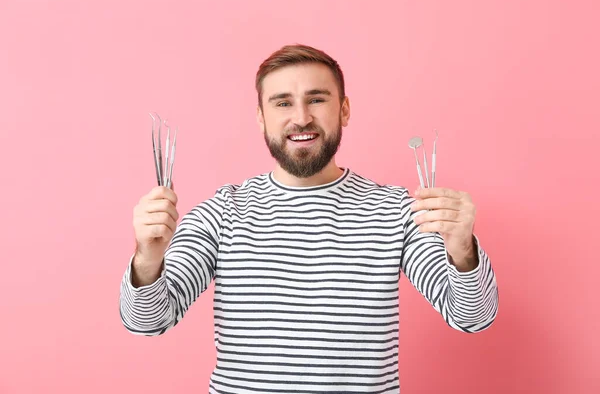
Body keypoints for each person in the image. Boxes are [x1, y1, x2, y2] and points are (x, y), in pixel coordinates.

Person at [119, 44, 499, 393]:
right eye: (282, 103)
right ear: (261, 116)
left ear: (344, 110)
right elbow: (147, 322)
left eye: (316, 99)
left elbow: (472, 317)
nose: (301, 118)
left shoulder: (395, 210)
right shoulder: (223, 212)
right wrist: (147, 257)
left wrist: (462, 250)